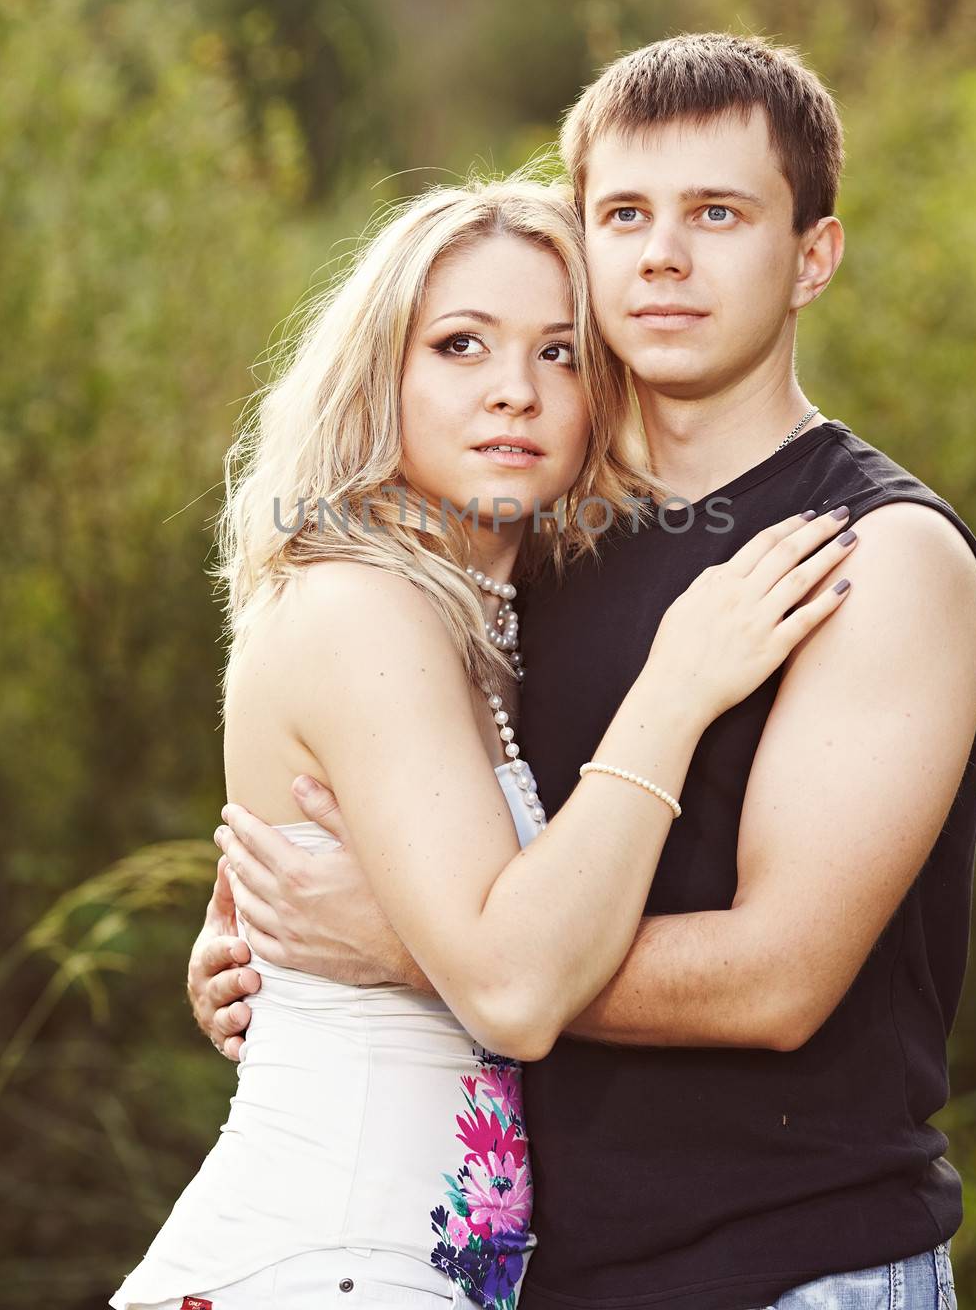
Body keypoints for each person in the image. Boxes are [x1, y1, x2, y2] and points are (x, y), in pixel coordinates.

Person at [197, 35, 976, 1310]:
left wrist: (420, 951)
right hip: (530, 1274)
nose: (662, 255)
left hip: (794, 1267)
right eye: (623, 212)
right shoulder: (525, 538)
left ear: (812, 259)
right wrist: (264, 936)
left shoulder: (870, 558)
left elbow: (777, 979)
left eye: (717, 214)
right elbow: (397, 798)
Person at [111, 174, 859, 1310]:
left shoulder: (498, 619)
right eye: (460, 344)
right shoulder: (360, 605)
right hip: (322, 1264)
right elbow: (509, 988)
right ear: (382, 376)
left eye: (559, 353)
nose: (514, 390)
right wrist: (679, 683)